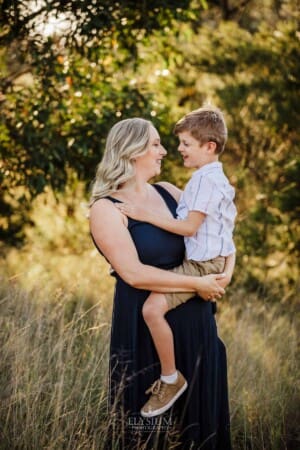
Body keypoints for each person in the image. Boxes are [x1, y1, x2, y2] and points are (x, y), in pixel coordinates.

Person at [89, 117, 233, 449]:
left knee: (201, 432)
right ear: (132, 150)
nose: (164, 151)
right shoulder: (106, 209)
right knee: (146, 434)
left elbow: (217, 230)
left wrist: (226, 270)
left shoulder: (169, 192)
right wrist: (198, 284)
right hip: (144, 332)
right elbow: (134, 274)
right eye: (155, 144)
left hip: (197, 326)